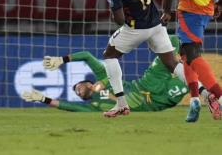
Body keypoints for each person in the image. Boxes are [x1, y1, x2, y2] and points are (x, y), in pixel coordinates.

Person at [93, 0, 186, 118]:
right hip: (156, 23)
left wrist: (114, 9)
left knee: (109, 55)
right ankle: (206, 93)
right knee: (172, 63)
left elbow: (120, 20)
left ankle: (121, 104)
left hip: (137, 28)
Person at [22, 37, 209, 113]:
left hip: (145, 83)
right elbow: (66, 105)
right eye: (78, 93)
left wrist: (61, 60)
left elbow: (86, 56)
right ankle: (213, 96)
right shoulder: (94, 106)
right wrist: (41, 98)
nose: (79, 91)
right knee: (192, 82)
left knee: (172, 41)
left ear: (89, 82)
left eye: (79, 87)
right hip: (156, 101)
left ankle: (190, 54)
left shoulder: (104, 75)